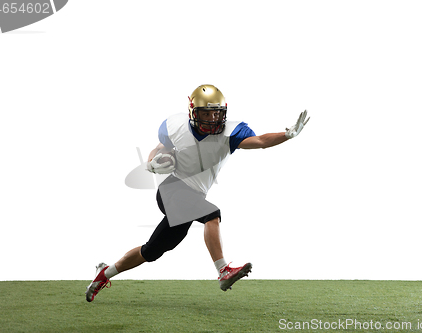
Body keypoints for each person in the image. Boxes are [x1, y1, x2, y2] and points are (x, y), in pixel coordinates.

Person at [85, 84, 309, 302]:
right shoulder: (176, 126)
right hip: (172, 189)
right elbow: (160, 148)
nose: (212, 118)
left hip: (192, 199)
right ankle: (223, 271)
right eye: (206, 113)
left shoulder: (231, 132)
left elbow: (260, 141)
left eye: (216, 113)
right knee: (212, 214)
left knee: (151, 251)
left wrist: (287, 135)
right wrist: (151, 161)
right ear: (193, 111)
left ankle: (104, 273)